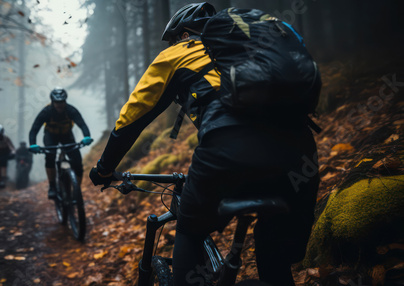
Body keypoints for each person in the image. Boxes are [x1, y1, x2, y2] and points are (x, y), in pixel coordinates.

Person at [89, 3, 319, 286]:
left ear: (183, 34)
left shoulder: (177, 54)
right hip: (300, 151)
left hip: (229, 148)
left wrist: (103, 168)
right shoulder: (255, 51)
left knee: (190, 229)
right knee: (273, 249)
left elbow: (133, 116)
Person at [28, 87, 93, 199]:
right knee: (50, 157)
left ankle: (77, 190)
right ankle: (52, 186)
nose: (59, 105)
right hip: (50, 136)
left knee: (77, 161)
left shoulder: (71, 110)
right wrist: (32, 144)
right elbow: (34, 129)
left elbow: (82, 124)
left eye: (61, 102)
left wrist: (87, 137)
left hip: (67, 136)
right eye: (57, 102)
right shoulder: (46, 112)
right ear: (52, 102)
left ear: (65, 101)